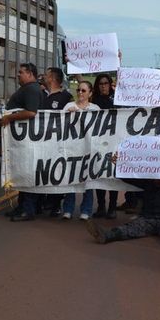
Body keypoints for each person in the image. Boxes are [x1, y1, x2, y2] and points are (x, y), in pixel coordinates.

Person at [86, 178, 160, 250]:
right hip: (147, 218)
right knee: (129, 229)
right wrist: (119, 164)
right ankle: (106, 235)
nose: (159, 179)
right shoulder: (146, 182)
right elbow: (125, 177)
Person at [0, 63, 45, 222]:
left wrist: (9, 117)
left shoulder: (32, 89)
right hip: (23, 140)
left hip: (28, 142)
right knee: (23, 173)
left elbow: (31, 112)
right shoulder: (29, 88)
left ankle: (28, 210)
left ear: (30, 74)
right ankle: (22, 206)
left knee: (28, 174)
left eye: (21, 72)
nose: (18, 75)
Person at [61, 81, 100, 220]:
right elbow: (57, 123)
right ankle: (68, 209)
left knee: (88, 181)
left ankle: (86, 210)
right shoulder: (69, 106)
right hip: (72, 149)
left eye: (83, 90)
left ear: (90, 93)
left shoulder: (95, 108)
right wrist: (66, 114)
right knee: (71, 179)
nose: (80, 93)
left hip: (88, 150)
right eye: (78, 90)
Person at [42, 67, 74, 217]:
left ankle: (55, 202)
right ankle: (44, 201)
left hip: (60, 143)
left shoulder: (66, 97)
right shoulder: (43, 96)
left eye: (46, 75)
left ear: (52, 78)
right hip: (43, 142)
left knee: (57, 171)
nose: (43, 76)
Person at [91, 73, 120, 219]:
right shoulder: (94, 100)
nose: (103, 86)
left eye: (106, 83)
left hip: (114, 141)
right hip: (98, 142)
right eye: (101, 83)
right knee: (99, 174)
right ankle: (101, 206)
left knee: (112, 175)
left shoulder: (117, 98)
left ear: (110, 84)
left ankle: (112, 207)